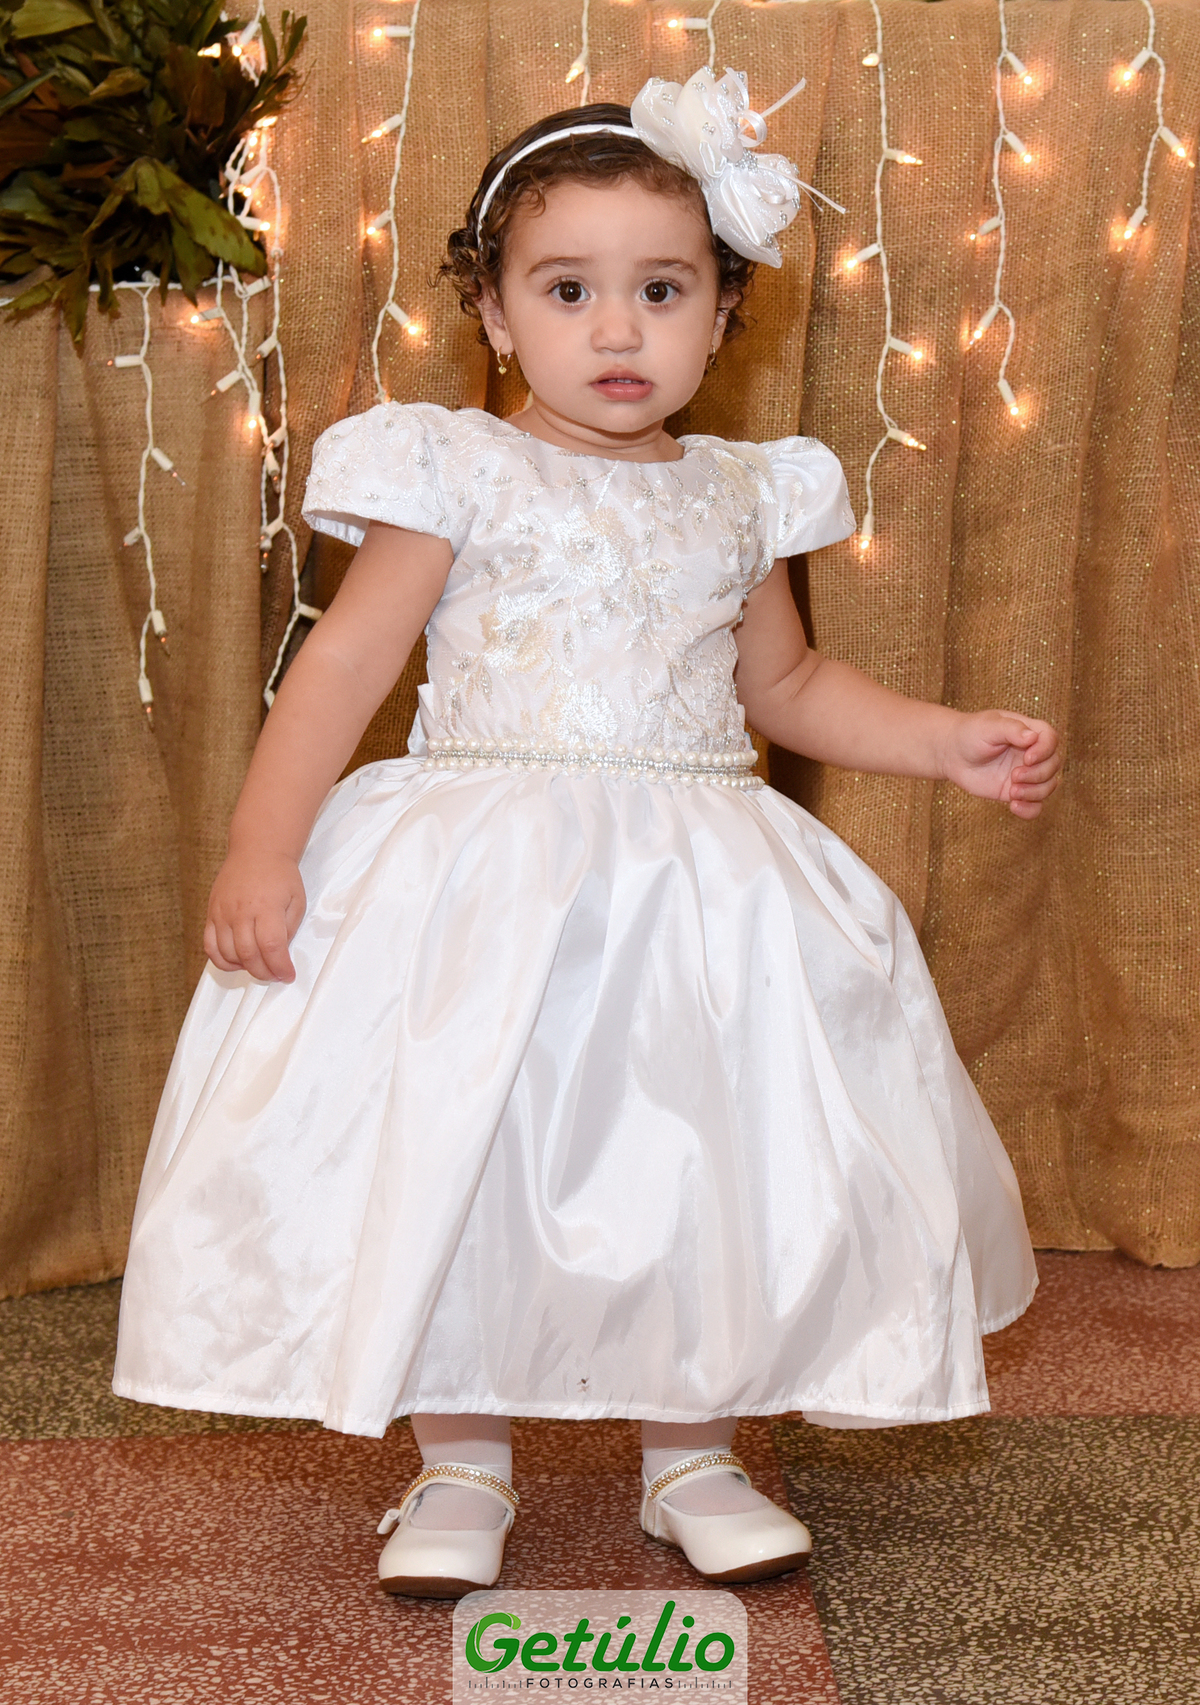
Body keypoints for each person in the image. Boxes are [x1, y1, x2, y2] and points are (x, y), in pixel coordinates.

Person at [113, 68, 1057, 1600]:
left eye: (662, 290)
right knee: (466, 1153)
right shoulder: (457, 469)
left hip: (697, 889)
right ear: (495, 313)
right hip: (482, 879)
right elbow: (345, 665)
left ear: (723, 313)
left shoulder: (741, 494)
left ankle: (692, 1455)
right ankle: (458, 1463)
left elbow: (787, 686)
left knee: (701, 1159)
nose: (619, 329)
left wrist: (945, 740)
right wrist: (261, 849)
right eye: (569, 290)